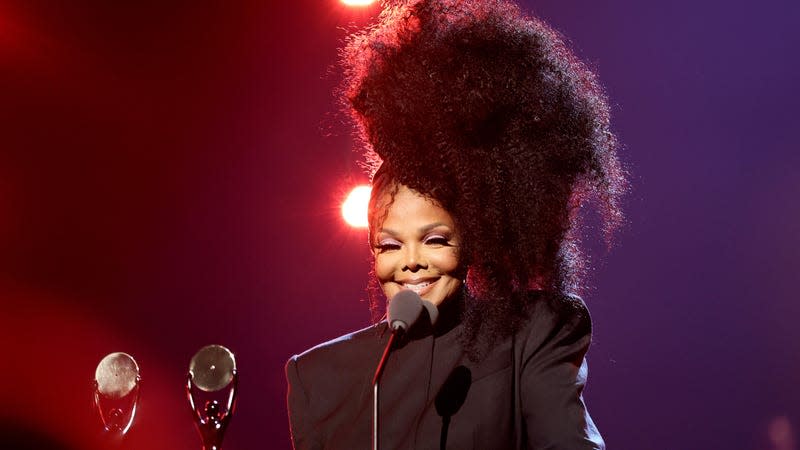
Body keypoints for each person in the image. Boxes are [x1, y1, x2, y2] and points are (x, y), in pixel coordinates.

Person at [286, 0, 626, 448]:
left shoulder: (530, 337)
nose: (410, 263)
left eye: (433, 239)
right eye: (389, 246)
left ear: (471, 240)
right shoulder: (319, 377)